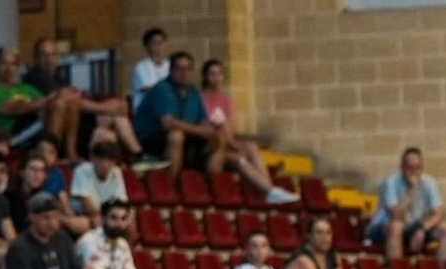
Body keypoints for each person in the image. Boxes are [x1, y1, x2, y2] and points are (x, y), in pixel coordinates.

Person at [133, 53, 295, 205]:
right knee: (177, 135)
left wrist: (211, 133)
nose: (184, 73)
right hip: (152, 141)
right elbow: (168, 122)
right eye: (179, 68)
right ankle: (170, 188)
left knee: (219, 136)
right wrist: (204, 132)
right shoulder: (163, 89)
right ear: (171, 71)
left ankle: (213, 190)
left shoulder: (193, 92)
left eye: (188, 68)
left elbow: (204, 121)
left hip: (190, 141)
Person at [24, 38, 141, 159]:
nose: (49, 60)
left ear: (58, 57)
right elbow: (69, 100)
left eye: (53, 55)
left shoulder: (57, 76)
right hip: (63, 131)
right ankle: (137, 155)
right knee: (108, 128)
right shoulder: (36, 76)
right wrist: (105, 108)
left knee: (117, 112)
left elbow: (77, 97)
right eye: (44, 55)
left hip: (78, 123)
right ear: (36, 58)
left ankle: (138, 154)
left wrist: (110, 107)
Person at [367, 148, 446, 261]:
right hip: (382, 228)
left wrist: (422, 230)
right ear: (402, 168)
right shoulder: (391, 182)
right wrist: (411, 190)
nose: (414, 172)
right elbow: (395, 216)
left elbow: (439, 213)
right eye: (410, 168)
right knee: (396, 227)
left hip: (411, 227)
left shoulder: (429, 183)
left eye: (418, 168)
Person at [0, 51, 46, 150]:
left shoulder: (27, 88)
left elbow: (45, 105)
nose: (8, 68)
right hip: (11, 136)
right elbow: (13, 109)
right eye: (4, 63)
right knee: (48, 117)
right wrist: (39, 104)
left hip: (35, 130)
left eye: (13, 64)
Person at [69, 142, 128, 222]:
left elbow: (121, 203)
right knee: (95, 220)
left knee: (128, 219)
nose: (105, 164)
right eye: (101, 159)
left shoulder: (116, 172)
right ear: (92, 158)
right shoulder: (81, 171)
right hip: (83, 214)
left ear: (114, 162)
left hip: (108, 215)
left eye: (110, 160)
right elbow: (88, 206)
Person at [131, 27, 170, 112]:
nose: (159, 46)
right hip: (146, 110)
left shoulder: (170, 65)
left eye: (161, 42)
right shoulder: (141, 67)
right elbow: (150, 89)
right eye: (154, 42)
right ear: (147, 46)